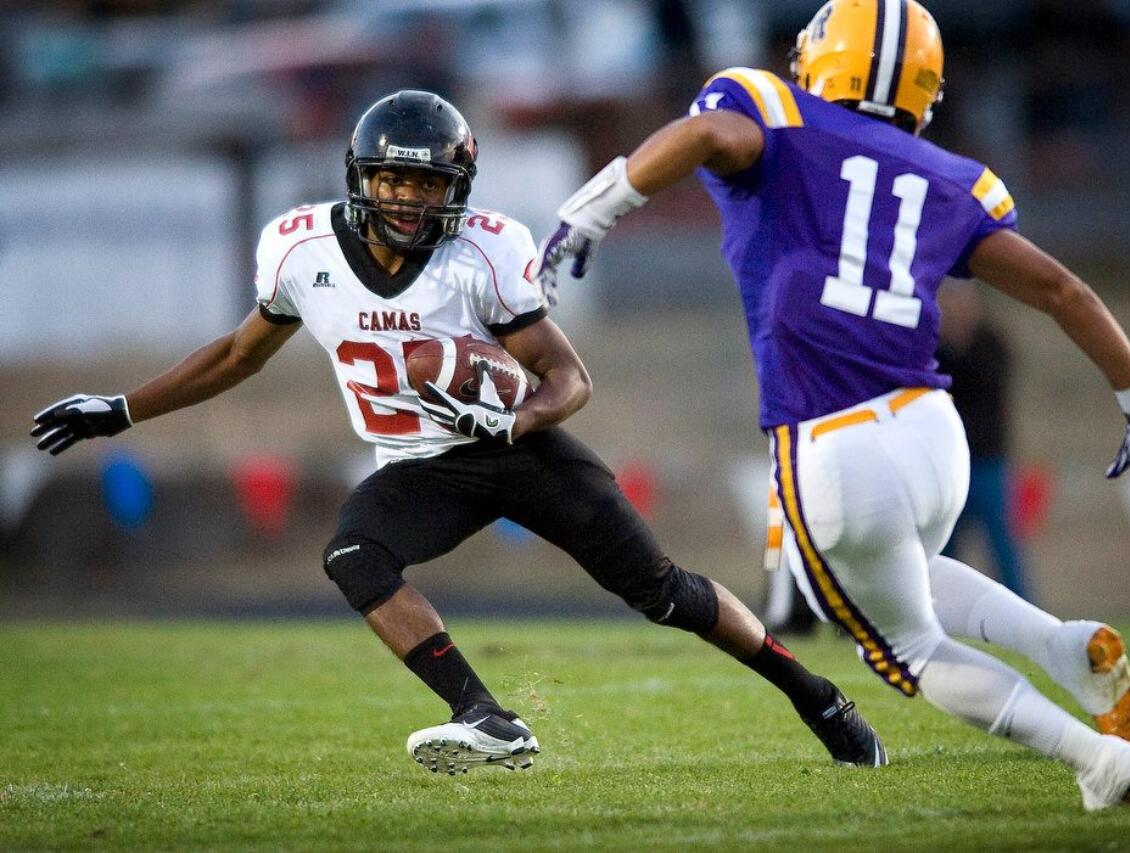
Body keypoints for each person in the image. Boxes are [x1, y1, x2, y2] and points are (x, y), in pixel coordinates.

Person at [29, 90, 887, 775]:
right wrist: (121, 408)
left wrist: (514, 415)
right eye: (395, 181)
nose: (409, 199)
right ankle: (485, 716)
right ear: (361, 176)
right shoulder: (299, 251)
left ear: (457, 189)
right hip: (418, 466)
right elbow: (236, 355)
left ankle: (817, 697)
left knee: (662, 592)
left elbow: (571, 380)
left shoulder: (483, 253)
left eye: (429, 184)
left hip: (518, 452)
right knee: (353, 555)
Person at [532, 0, 1130, 810]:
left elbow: (709, 135)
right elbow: (1065, 290)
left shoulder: (775, 113)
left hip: (834, 440)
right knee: (907, 575)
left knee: (901, 642)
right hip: (933, 431)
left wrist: (595, 206)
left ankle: (1093, 757)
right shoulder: (951, 177)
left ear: (823, 57)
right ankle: (1061, 645)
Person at [936, 282, 1029, 599]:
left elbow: (983, 385)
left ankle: (1025, 609)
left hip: (987, 462)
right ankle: (941, 609)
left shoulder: (990, 344)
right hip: (947, 466)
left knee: (1004, 546)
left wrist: (957, 349)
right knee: (943, 545)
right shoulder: (935, 350)